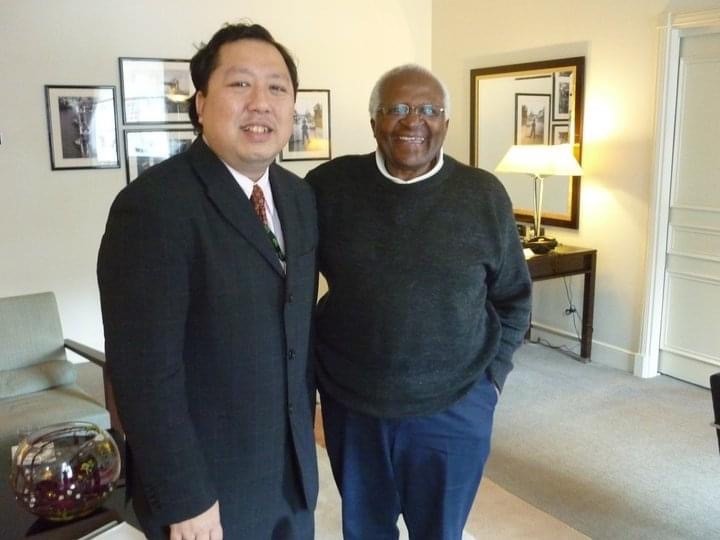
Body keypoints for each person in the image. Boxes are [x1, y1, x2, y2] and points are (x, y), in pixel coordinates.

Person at [97, 23, 318, 540]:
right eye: (240, 84)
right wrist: (186, 497)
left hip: (289, 473)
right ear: (200, 103)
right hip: (206, 491)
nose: (261, 103)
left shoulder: (299, 198)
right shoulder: (153, 207)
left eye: (277, 87)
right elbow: (144, 374)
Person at [306, 64, 532, 540]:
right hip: (354, 405)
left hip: (455, 406)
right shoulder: (328, 187)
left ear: (446, 124)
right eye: (398, 109)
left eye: (430, 110)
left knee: (440, 532)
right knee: (366, 529)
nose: (414, 121)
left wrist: (491, 383)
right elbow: (291, 288)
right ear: (374, 122)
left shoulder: (482, 195)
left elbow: (514, 298)